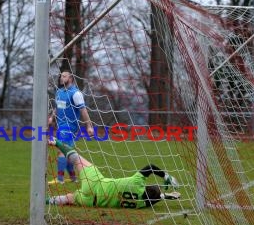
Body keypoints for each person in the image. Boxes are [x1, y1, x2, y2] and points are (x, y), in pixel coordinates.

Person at [47, 138, 180, 208]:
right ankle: (48, 201)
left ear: (146, 187)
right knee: (69, 198)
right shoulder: (141, 204)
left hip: (97, 183)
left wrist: (166, 175)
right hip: (94, 202)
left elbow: (150, 167)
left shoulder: (136, 182)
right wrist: (166, 196)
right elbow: (152, 199)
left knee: (77, 160)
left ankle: (55, 141)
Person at [48, 69, 94, 184]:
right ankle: (73, 178)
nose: (61, 78)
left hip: (70, 127)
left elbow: (83, 110)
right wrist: (52, 117)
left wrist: (89, 126)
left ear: (71, 78)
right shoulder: (59, 92)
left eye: (64, 76)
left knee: (61, 151)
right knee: (67, 151)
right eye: (61, 76)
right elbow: (58, 107)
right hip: (61, 125)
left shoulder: (76, 93)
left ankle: (59, 179)